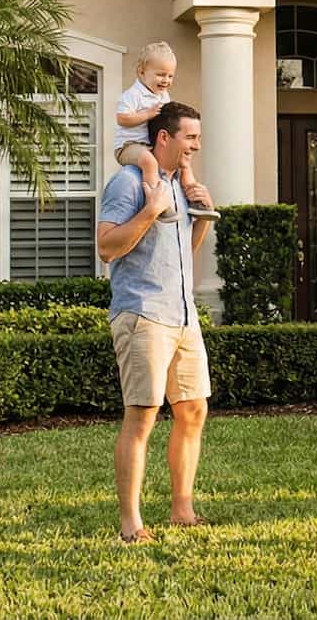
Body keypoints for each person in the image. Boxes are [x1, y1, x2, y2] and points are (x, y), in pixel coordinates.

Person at [98, 100, 215, 545]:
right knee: (142, 415)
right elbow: (106, 248)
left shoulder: (179, 186)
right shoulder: (129, 183)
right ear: (163, 137)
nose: (196, 146)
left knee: (193, 409)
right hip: (143, 313)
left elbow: (184, 251)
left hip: (183, 315)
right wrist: (150, 211)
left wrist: (201, 212)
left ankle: (181, 510)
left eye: (197, 138)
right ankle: (131, 523)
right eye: (190, 137)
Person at [114, 42, 217, 221]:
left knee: (185, 165)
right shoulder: (132, 95)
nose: (166, 80)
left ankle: (196, 202)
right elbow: (122, 118)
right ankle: (156, 203)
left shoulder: (163, 95)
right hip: (129, 146)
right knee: (150, 163)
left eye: (170, 76)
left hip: (149, 146)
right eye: (161, 75)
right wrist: (146, 113)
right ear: (141, 72)